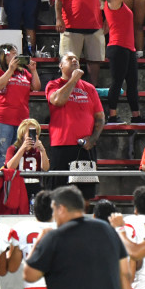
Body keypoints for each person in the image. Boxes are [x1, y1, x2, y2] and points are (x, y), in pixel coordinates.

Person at [46, 52, 106, 201]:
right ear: (60, 65)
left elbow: (100, 117)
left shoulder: (90, 88)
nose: (74, 60)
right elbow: (58, 101)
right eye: (69, 58)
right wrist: (73, 79)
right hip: (62, 146)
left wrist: (93, 139)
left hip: (85, 148)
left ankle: (81, 222)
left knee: (84, 195)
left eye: (77, 59)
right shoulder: (53, 85)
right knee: (58, 194)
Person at [99, 0, 145, 123]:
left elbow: (108, 26)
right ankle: (112, 115)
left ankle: (135, 116)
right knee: (117, 82)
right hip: (118, 46)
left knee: (132, 82)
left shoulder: (116, 0)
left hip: (128, 47)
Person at [0, 44, 41, 174]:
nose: (16, 56)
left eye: (17, 53)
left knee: (18, 151)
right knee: (2, 152)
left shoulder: (24, 72)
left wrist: (34, 71)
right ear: (4, 55)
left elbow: (36, 87)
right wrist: (10, 70)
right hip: (3, 117)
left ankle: (13, 183)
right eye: (13, 53)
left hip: (22, 118)